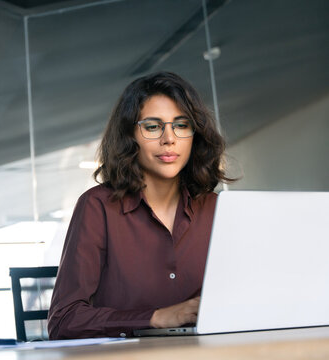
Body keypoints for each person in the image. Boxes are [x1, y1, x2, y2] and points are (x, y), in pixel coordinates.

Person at [47, 71, 234, 339]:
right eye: (153, 126)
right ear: (130, 135)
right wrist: (155, 317)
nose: (169, 139)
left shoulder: (218, 209)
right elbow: (64, 320)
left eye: (181, 125)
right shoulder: (97, 207)